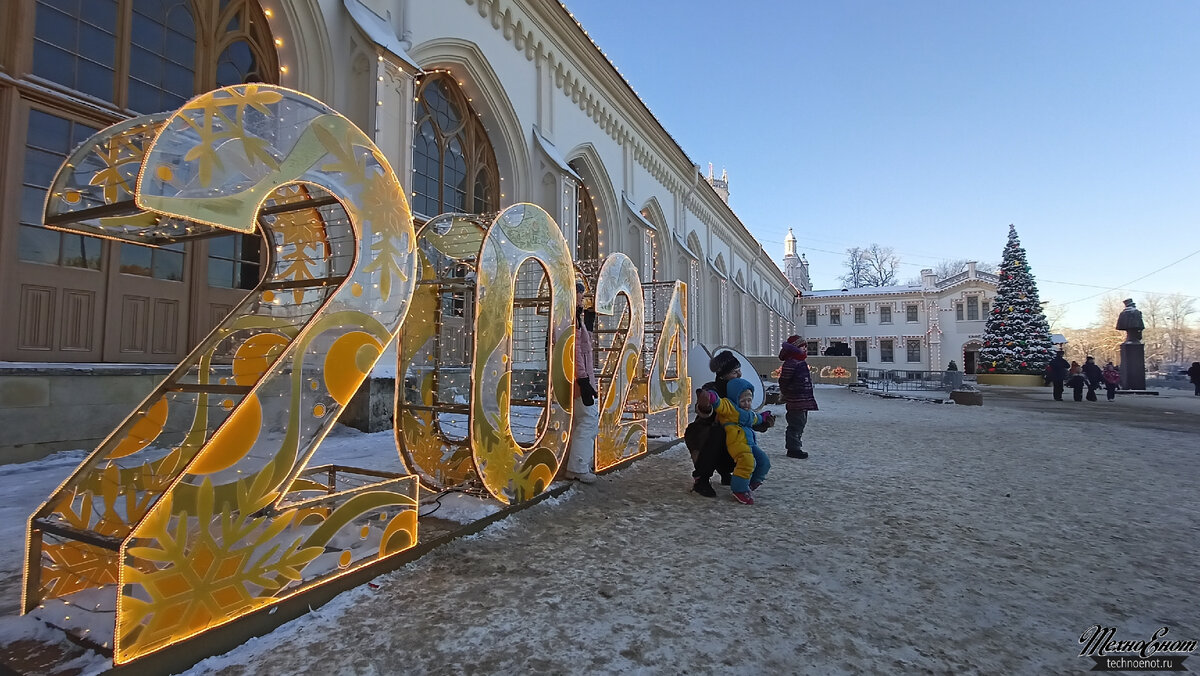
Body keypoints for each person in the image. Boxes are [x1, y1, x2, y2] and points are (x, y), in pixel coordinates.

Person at [696, 378, 773, 505]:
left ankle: (753, 481)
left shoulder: (749, 413)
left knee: (764, 460)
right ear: (736, 398)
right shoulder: (730, 407)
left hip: (750, 442)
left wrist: (764, 417)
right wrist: (710, 396)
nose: (747, 403)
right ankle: (739, 490)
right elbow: (720, 404)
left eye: (749, 400)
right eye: (743, 401)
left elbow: (756, 419)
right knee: (747, 462)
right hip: (737, 442)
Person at [684, 350, 741, 497]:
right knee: (718, 435)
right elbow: (704, 411)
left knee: (739, 437)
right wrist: (705, 406)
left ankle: (726, 471)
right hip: (706, 433)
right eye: (735, 372)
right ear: (723, 374)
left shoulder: (738, 390)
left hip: (730, 431)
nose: (739, 375)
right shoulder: (710, 388)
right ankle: (701, 479)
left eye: (739, 371)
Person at [564, 281, 599, 483]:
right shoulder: (571, 318)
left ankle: (578, 463)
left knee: (581, 421)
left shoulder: (573, 318)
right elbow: (575, 351)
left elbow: (583, 345)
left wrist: (588, 324)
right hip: (579, 379)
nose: (582, 298)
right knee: (588, 420)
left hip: (579, 378)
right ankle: (578, 466)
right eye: (579, 295)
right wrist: (583, 379)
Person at [777, 335, 817, 459]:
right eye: (802, 346)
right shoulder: (791, 362)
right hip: (796, 399)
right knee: (796, 424)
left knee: (801, 423)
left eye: (806, 346)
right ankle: (793, 448)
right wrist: (786, 393)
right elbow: (784, 381)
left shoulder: (799, 362)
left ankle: (795, 445)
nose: (805, 349)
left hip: (802, 400)